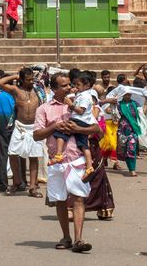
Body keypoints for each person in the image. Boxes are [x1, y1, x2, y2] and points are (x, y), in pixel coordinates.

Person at [33, 72, 98, 253]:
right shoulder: (44, 109)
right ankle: (66, 237)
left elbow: (96, 128)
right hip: (57, 160)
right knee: (60, 200)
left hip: (76, 158)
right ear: (54, 89)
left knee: (78, 198)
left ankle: (78, 239)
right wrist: (54, 126)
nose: (69, 88)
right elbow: (36, 134)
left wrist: (77, 128)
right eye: (64, 86)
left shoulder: (81, 102)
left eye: (70, 84)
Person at [0, 68, 44, 197]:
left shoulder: (38, 90)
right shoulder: (16, 90)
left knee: (34, 157)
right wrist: (15, 75)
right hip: (20, 127)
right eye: (28, 79)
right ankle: (16, 181)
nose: (31, 81)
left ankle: (33, 187)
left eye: (32, 79)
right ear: (21, 79)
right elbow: (0, 83)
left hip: (34, 127)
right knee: (12, 153)